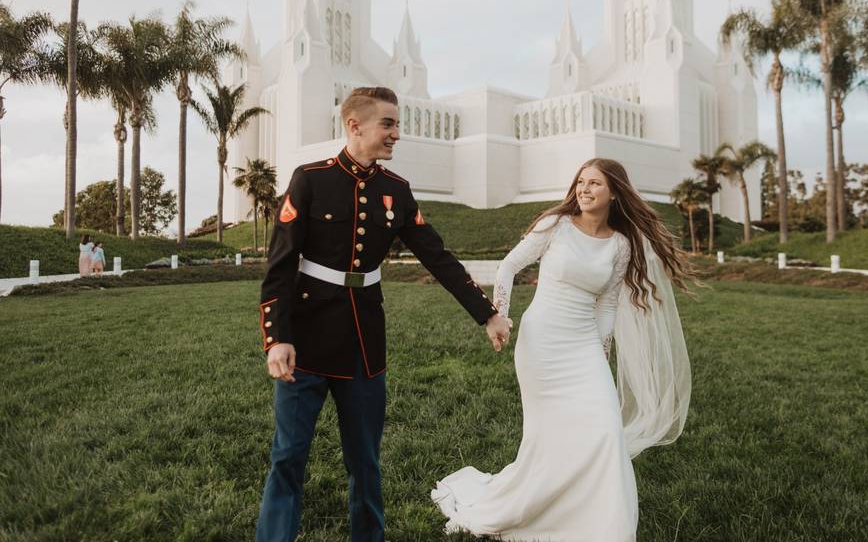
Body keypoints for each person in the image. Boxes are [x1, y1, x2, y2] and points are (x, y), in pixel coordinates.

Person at [256, 87, 512, 542]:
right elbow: (280, 267)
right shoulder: (310, 180)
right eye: (388, 124)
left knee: (365, 461)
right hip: (307, 342)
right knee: (289, 457)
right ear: (355, 126)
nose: (397, 134)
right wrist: (277, 338)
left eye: (397, 124)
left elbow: (438, 257)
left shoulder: (395, 191)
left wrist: (487, 313)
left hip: (362, 344)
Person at [432, 158, 694, 541]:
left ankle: (605, 527)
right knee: (548, 437)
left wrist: (601, 359)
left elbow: (607, 306)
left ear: (614, 193)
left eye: (595, 184)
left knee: (605, 430)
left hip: (584, 347)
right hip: (542, 345)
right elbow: (507, 268)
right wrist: (500, 316)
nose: (585, 190)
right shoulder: (555, 226)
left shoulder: (620, 245)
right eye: (581, 182)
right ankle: (532, 508)